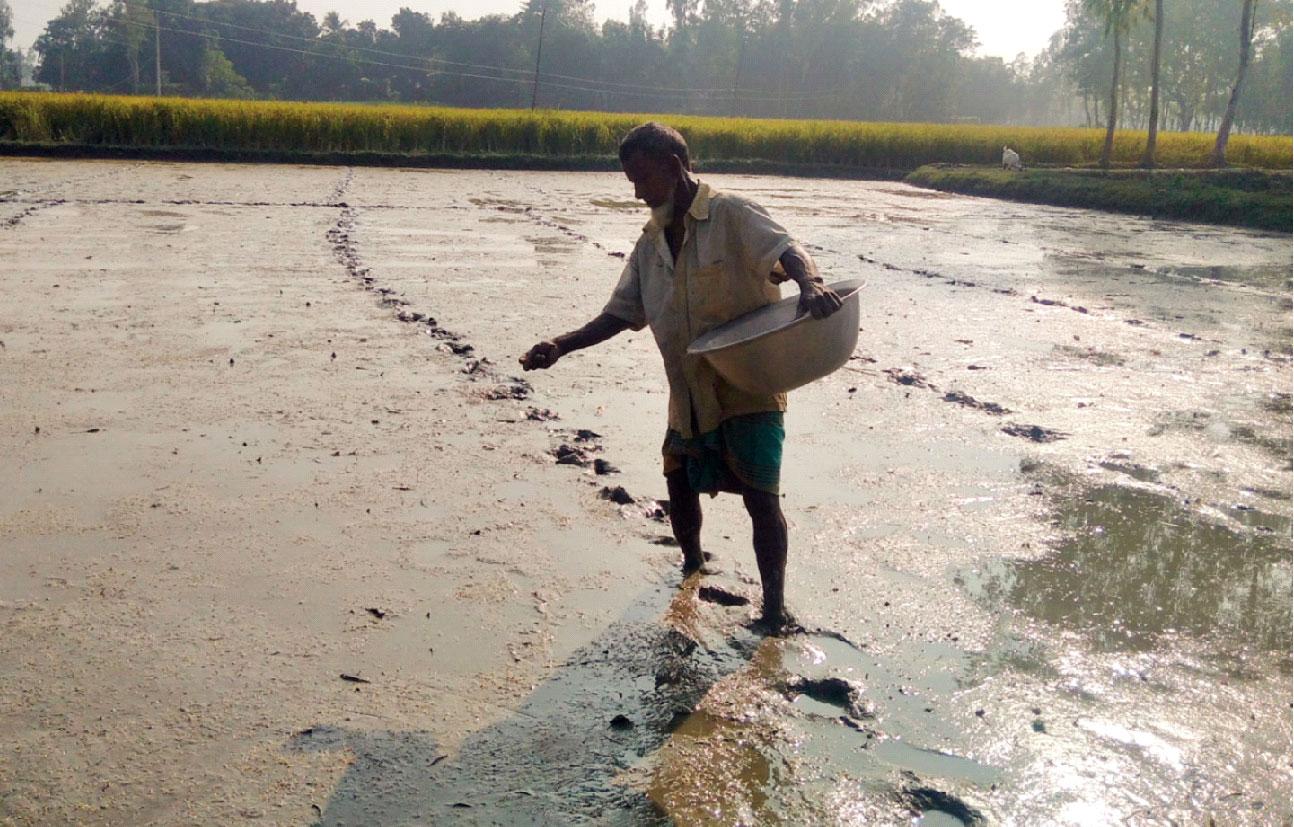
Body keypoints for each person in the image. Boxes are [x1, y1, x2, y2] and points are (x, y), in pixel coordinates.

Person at [520, 122, 842, 632]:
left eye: (642, 178)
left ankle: (774, 610)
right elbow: (621, 314)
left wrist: (811, 284)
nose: (637, 192)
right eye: (630, 180)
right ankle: (691, 569)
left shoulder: (730, 213)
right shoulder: (650, 243)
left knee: (762, 499)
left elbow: (785, 248)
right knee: (678, 485)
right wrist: (561, 345)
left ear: (674, 167)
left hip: (747, 386)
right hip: (688, 393)